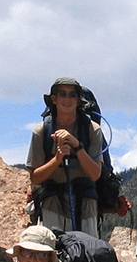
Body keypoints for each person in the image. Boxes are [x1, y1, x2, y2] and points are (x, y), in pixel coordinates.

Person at [26, 77, 105, 238]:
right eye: (62, 94)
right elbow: (35, 177)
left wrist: (77, 147)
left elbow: (95, 174)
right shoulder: (41, 131)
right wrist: (57, 159)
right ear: (54, 99)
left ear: (78, 100)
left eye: (72, 95)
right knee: (53, 257)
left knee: (87, 256)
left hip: (86, 205)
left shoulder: (92, 130)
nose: (67, 99)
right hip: (52, 204)